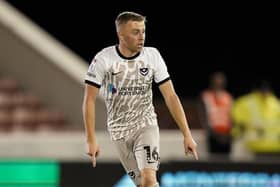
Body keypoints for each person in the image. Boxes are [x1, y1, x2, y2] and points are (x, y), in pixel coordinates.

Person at [82, 11, 198, 187]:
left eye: (143, 31)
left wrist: (187, 134)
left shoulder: (152, 56)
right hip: (118, 132)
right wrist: (91, 139)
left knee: (149, 179)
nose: (141, 37)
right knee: (142, 184)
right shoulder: (103, 59)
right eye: (135, 32)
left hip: (146, 125)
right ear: (121, 34)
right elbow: (89, 100)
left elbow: (170, 96)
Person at [231, 80, 280, 154]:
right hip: (247, 146)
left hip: (273, 146)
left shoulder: (275, 103)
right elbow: (240, 122)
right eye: (263, 89)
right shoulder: (244, 102)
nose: (265, 93)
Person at [198, 72, 233, 155]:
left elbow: (231, 116)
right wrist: (213, 134)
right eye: (216, 80)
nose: (219, 83)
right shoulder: (205, 96)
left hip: (226, 136)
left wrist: (229, 134)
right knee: (213, 162)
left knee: (227, 163)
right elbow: (203, 116)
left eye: (221, 80)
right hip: (213, 135)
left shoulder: (228, 97)